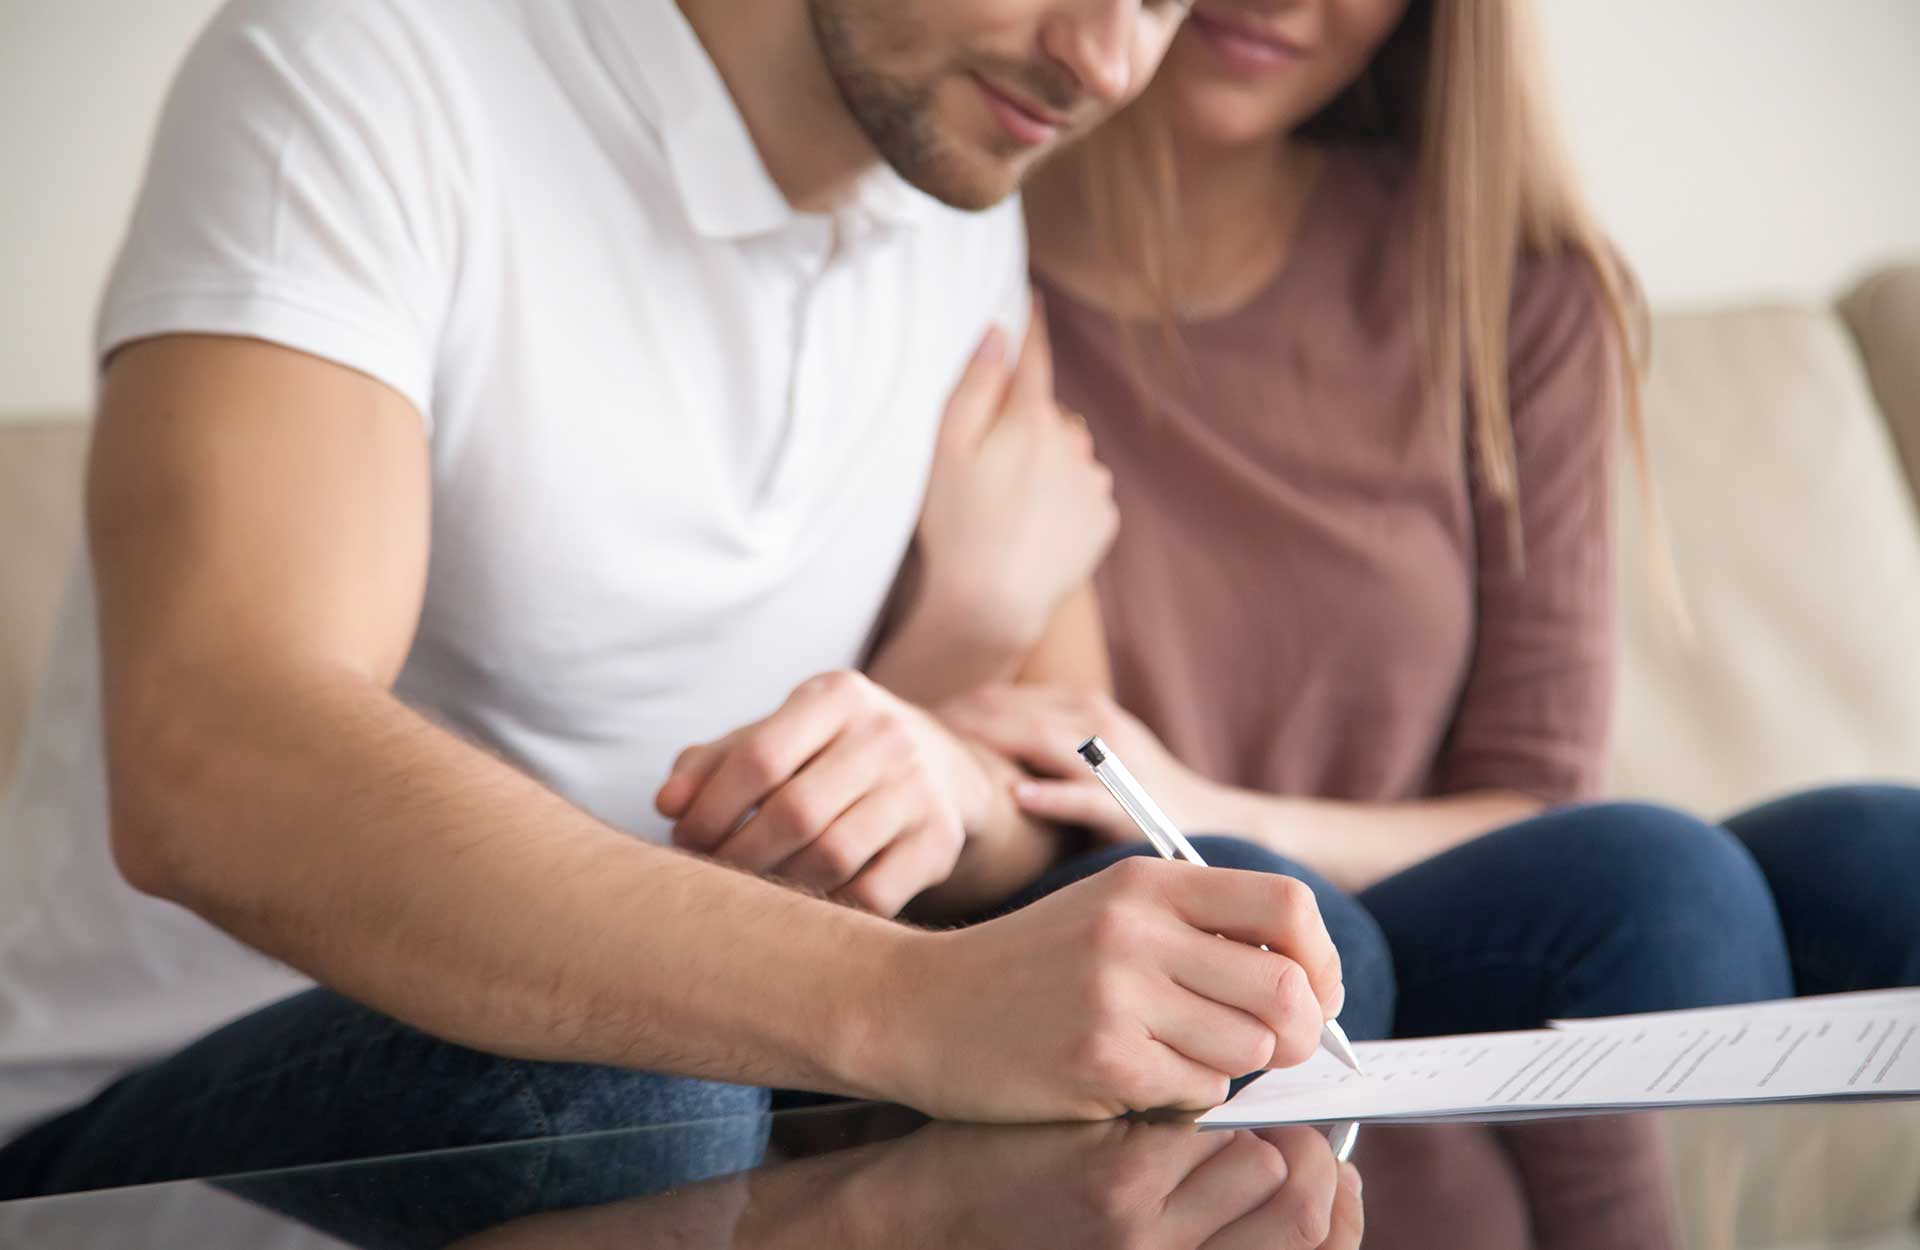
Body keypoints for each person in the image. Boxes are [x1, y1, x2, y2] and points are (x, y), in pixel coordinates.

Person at [0, 0, 1371, 1200]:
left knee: (1277, 952)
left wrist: (945, 763)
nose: (1111, 62)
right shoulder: (365, 71)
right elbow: (220, 764)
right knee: (637, 1091)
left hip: (713, 1058)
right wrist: (908, 1000)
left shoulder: (955, 183)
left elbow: (1058, 768)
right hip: (163, 1110)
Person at [913, 0, 1920, 1245]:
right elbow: (1017, 752)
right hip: (1152, 913)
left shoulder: (1509, 285)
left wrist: (1208, 790)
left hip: (1426, 907)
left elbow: (1538, 798)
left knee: (1884, 854)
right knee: (1614, 889)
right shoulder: (949, 259)